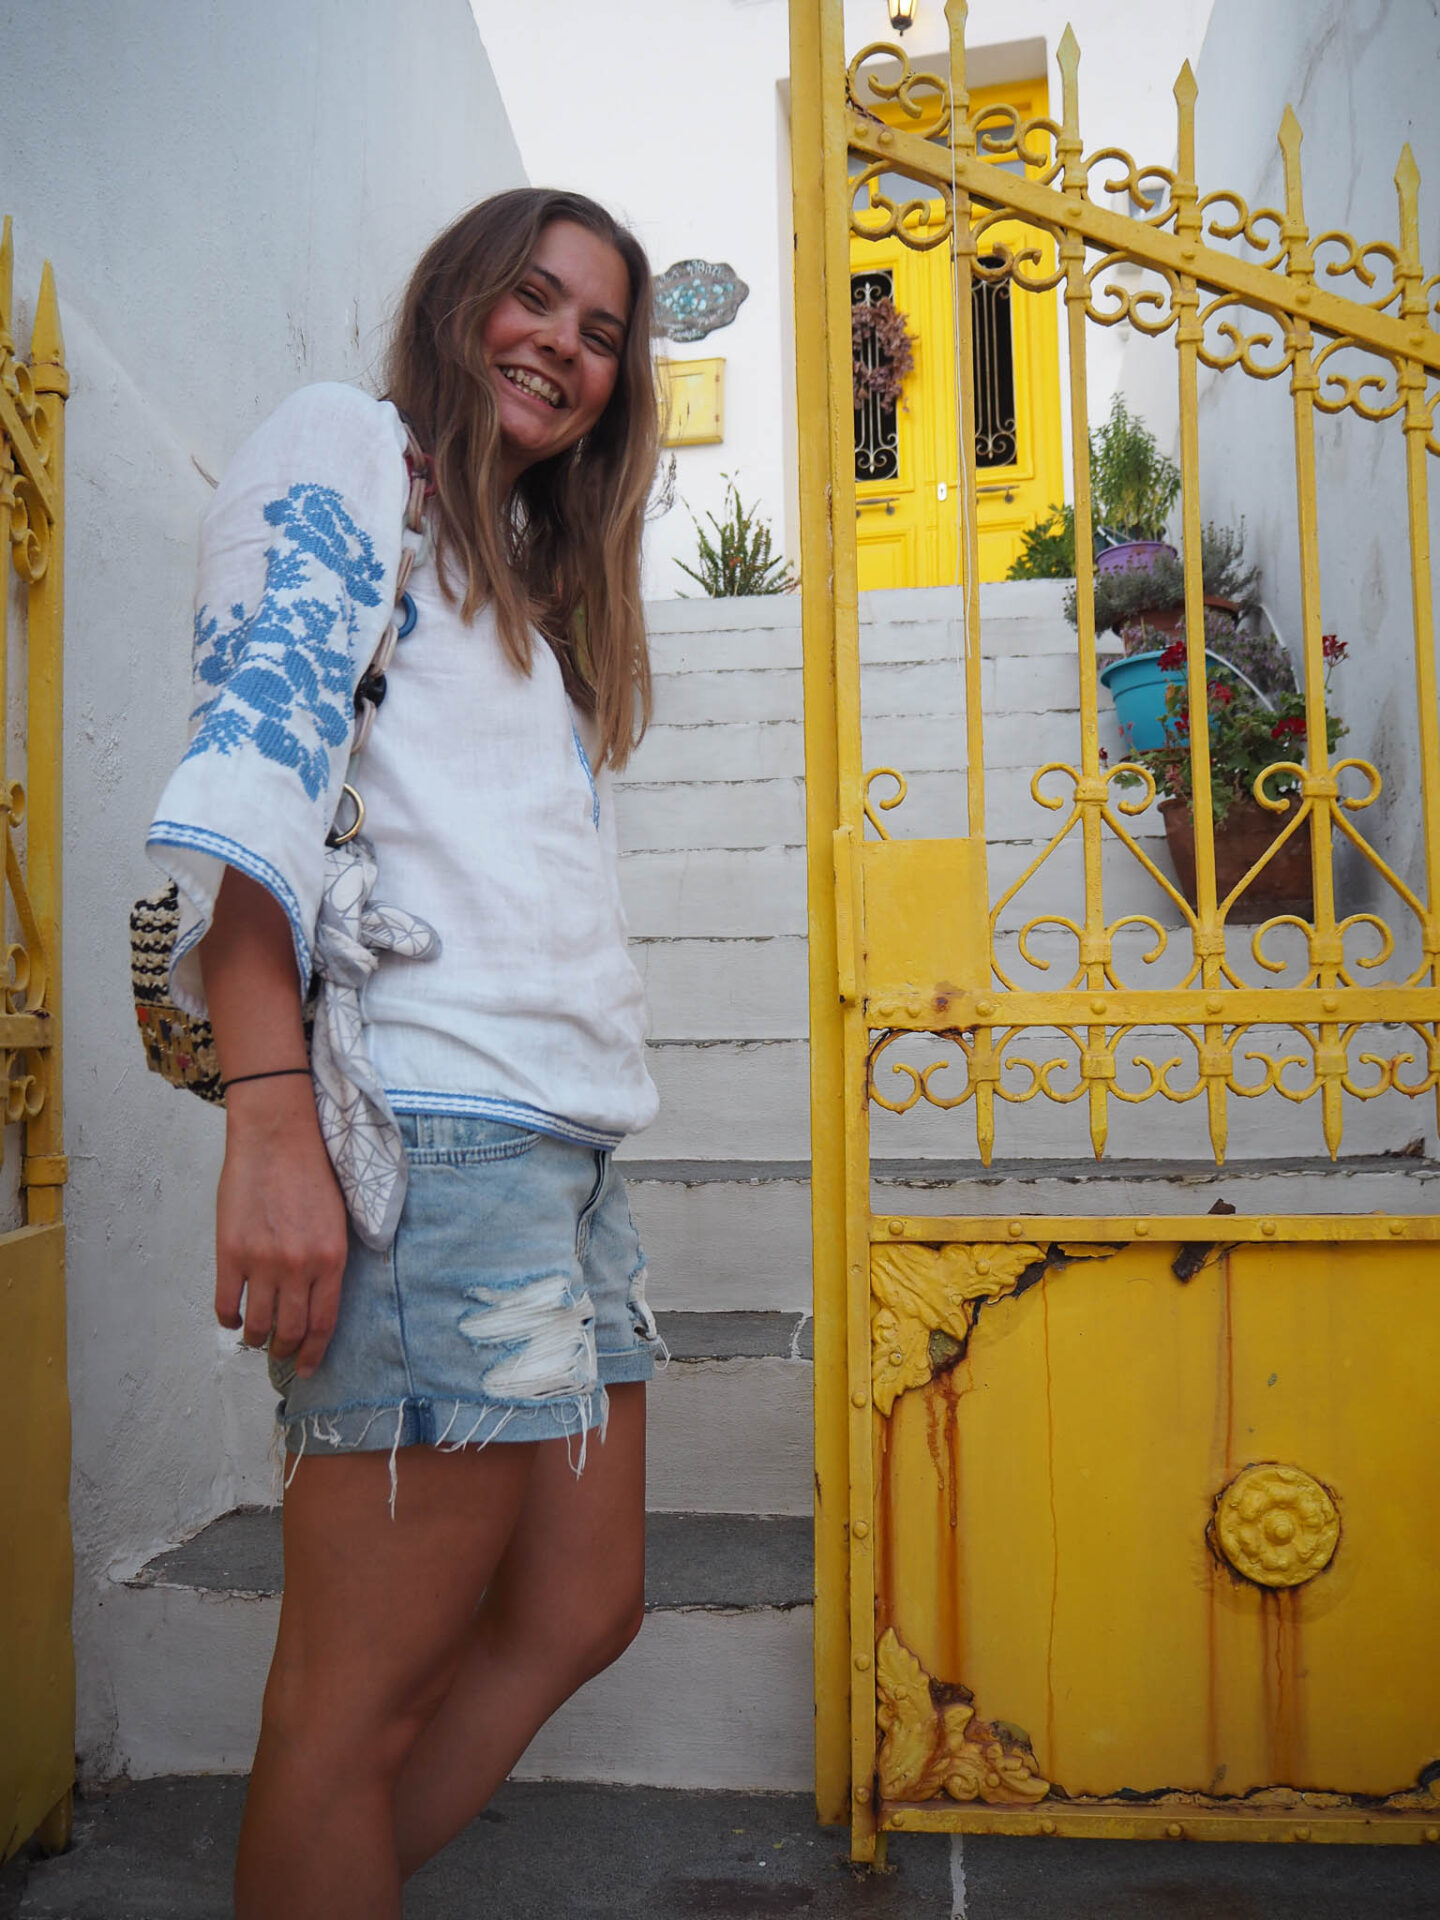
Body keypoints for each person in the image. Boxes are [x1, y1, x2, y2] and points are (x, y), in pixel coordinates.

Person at [145, 189, 664, 1919]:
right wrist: (270, 1118)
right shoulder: (348, 451)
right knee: (351, 1705)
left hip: (564, 1148)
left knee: (588, 1606)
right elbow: (259, 784)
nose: (566, 350)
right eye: (535, 300)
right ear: (457, 300)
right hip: (435, 1140)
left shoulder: (514, 562)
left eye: (602, 334)